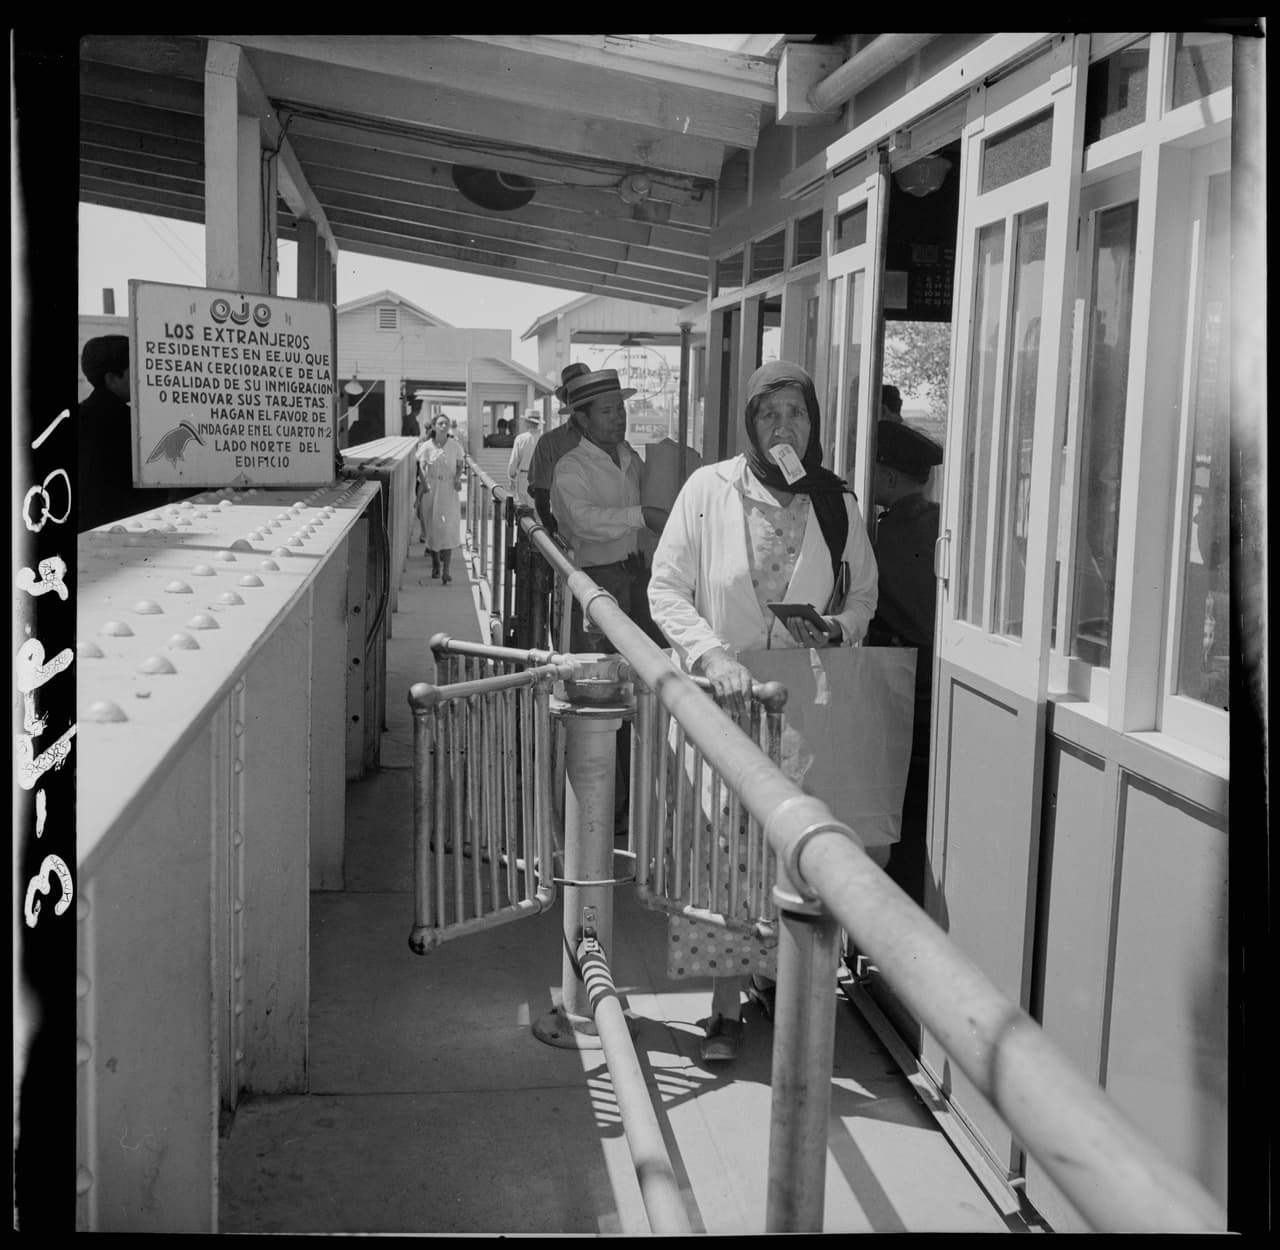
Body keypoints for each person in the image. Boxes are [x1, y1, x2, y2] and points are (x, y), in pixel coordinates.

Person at [648, 360, 879, 1062]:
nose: (784, 427)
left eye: (797, 414)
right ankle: (721, 1006)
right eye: (769, 413)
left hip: (803, 703)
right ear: (748, 421)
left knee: (794, 849)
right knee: (724, 852)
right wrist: (710, 655)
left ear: (814, 422)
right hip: (727, 701)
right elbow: (666, 590)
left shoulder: (834, 501)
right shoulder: (706, 489)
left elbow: (863, 595)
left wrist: (836, 630)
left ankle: (779, 982)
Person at [866, 418, 943, 907]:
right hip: (933, 687)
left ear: (890, 479)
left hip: (901, 687)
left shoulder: (888, 535)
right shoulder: (937, 523)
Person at [549, 368, 667, 653]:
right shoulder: (571, 467)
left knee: (643, 662)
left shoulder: (629, 456)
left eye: (621, 409)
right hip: (595, 582)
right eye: (607, 412)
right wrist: (642, 515)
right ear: (583, 419)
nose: (619, 418)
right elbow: (582, 520)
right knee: (599, 672)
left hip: (636, 575)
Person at [77, 334, 195, 531]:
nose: (143, 375)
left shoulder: (79, 415)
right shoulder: (136, 423)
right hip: (131, 527)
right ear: (112, 379)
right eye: (136, 369)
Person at [528, 363, 590, 535]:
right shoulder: (549, 442)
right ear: (568, 400)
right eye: (576, 393)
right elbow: (541, 493)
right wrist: (552, 530)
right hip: (566, 534)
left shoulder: (612, 441)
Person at [418, 413, 465, 583]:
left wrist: (458, 478)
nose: (444, 426)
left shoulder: (455, 446)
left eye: (446, 423)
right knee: (433, 528)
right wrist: (424, 484)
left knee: (448, 528)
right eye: (440, 423)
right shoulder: (426, 446)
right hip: (431, 489)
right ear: (434, 426)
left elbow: (460, 466)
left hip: (448, 488)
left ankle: (447, 570)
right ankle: (436, 564)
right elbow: (422, 468)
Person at [507, 410, 543, 509]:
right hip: (541, 478)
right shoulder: (545, 438)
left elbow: (514, 461)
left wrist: (511, 478)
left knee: (523, 510)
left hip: (524, 477)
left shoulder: (520, 439)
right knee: (539, 509)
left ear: (527, 422)